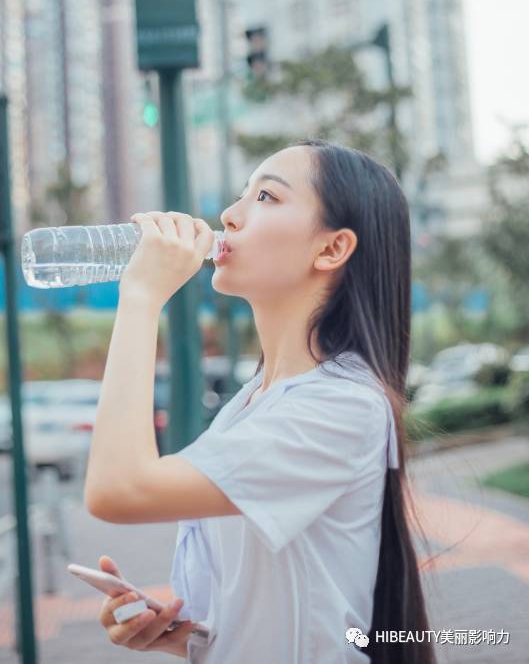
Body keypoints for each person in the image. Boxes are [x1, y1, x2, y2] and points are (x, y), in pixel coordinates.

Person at [96, 139, 436, 663]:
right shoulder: (252, 404)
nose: (229, 217)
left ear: (331, 249)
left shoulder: (342, 407)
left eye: (266, 198)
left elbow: (119, 490)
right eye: (241, 196)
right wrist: (191, 636)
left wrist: (141, 297)